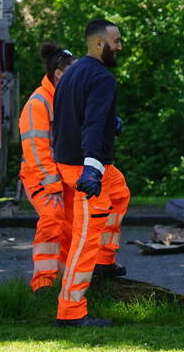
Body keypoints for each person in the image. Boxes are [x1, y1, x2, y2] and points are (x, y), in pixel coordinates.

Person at [51, 20, 132, 327]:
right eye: (117, 41)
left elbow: (71, 117)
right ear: (100, 44)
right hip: (86, 168)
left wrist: (113, 120)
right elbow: (92, 125)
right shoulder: (102, 78)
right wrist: (91, 169)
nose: (120, 46)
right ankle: (70, 312)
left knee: (121, 193)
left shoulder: (71, 73)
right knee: (85, 238)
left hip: (75, 162)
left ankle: (104, 261)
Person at [19, 43, 75, 293]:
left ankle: (63, 282)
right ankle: (43, 284)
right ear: (59, 74)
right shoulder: (38, 103)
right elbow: (36, 150)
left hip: (61, 176)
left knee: (71, 225)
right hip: (40, 177)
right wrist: (52, 185)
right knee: (52, 219)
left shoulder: (63, 98)